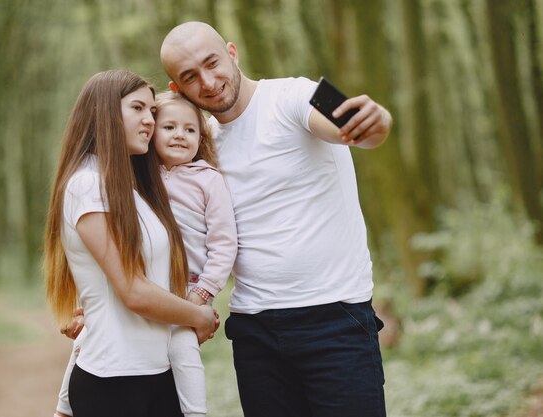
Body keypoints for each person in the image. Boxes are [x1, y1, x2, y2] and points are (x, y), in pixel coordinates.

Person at [159, 21, 393, 417]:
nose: (209, 81)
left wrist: (377, 121)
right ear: (177, 90)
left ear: (231, 53)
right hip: (255, 333)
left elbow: (351, 124)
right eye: (191, 77)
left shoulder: (299, 92)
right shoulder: (198, 146)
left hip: (335, 319)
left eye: (212, 63)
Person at [44, 69, 218, 417]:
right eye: (137, 108)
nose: (149, 120)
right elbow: (133, 290)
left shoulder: (132, 188)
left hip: (157, 376)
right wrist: (199, 315)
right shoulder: (87, 185)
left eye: (153, 111)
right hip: (114, 383)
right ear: (105, 113)